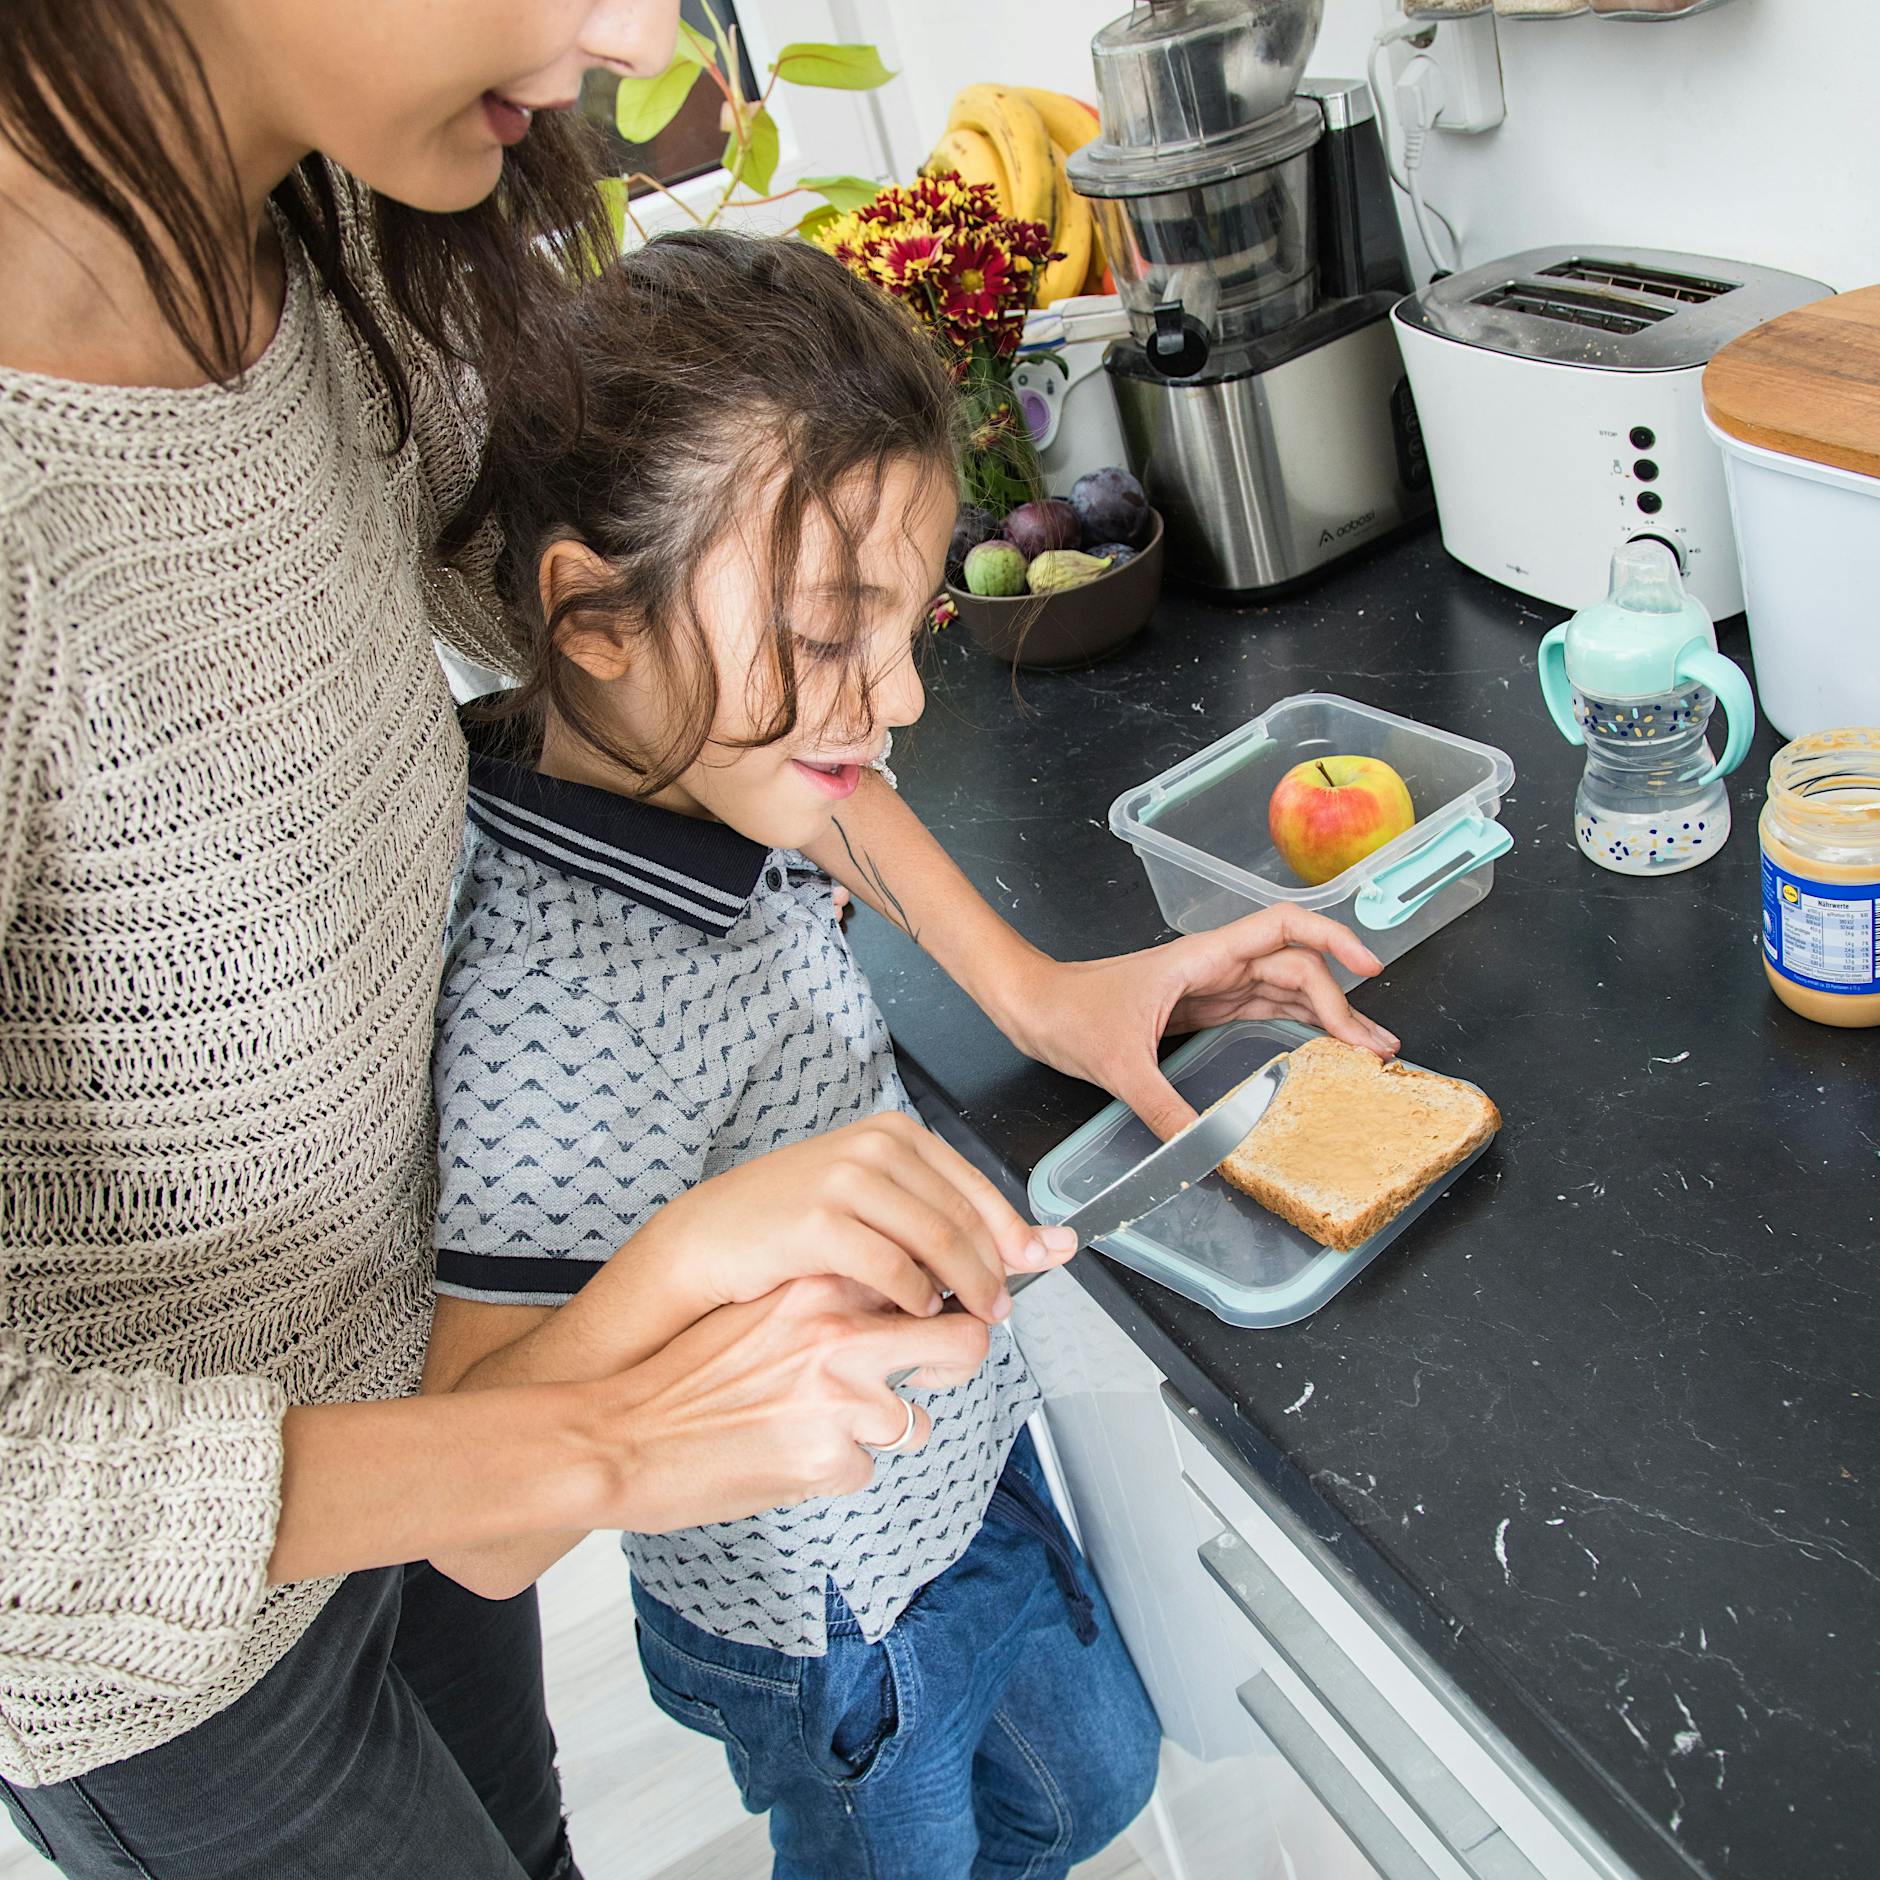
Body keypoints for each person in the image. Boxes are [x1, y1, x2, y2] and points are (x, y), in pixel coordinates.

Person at [0, 2, 1394, 1874]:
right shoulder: (553, 1022)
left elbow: (724, 695)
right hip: (171, 1651)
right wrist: (631, 1387)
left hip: (434, 1413)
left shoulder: (333, 276)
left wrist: (1039, 992)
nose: (640, 29)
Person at [418, 229, 1394, 1880]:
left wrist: (1042, 994)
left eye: (909, 627)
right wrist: (695, 1249)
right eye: (824, 637)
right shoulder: (554, 1007)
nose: (897, 705)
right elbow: (481, 1528)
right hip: (822, 1609)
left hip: (958, 1467)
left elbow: (839, 785)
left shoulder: (703, 759)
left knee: (1092, 1784)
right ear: (591, 617)